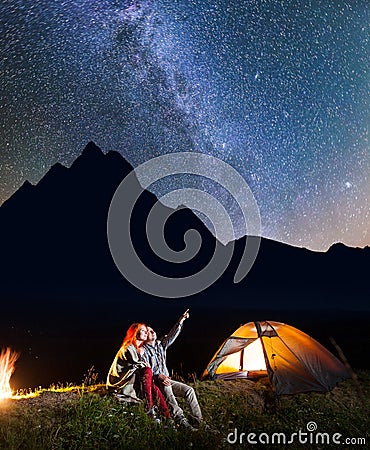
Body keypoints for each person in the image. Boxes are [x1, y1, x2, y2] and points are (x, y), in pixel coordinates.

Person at [142, 309, 203, 430]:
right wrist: (158, 375)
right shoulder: (144, 350)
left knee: (189, 390)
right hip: (157, 382)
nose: (152, 331)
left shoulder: (161, 345)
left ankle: (199, 422)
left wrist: (181, 320)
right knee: (166, 385)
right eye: (148, 331)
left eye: (152, 329)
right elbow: (145, 370)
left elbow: (172, 335)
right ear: (144, 337)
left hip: (167, 380)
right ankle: (181, 420)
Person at [106, 323, 170, 421]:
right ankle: (149, 407)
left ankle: (167, 417)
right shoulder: (127, 347)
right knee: (147, 371)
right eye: (143, 330)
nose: (146, 332)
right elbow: (136, 364)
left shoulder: (139, 349)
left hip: (133, 379)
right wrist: (144, 364)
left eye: (146, 331)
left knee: (152, 385)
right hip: (122, 382)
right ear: (135, 332)